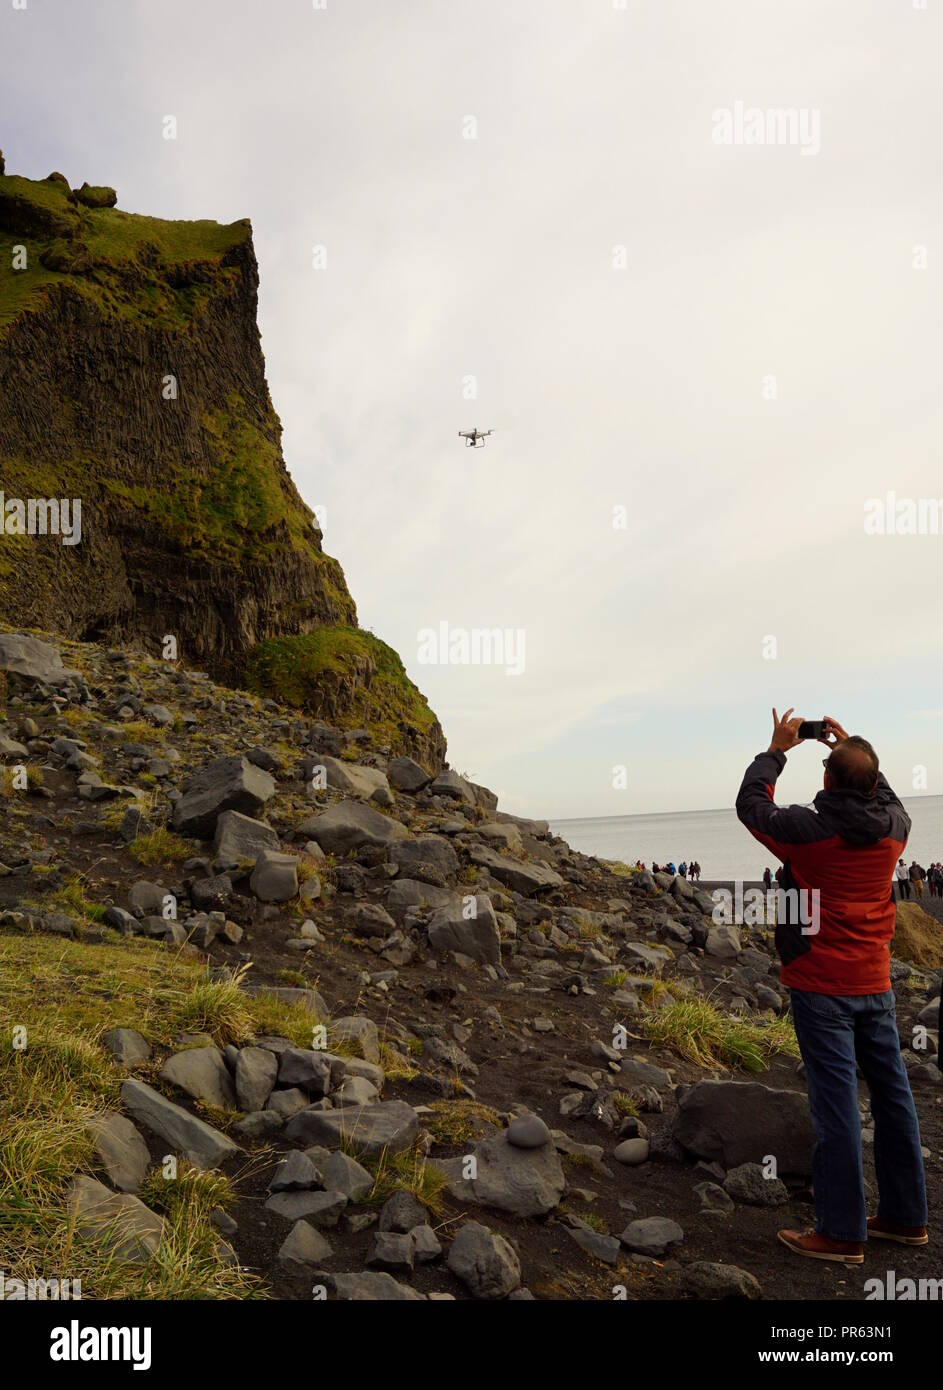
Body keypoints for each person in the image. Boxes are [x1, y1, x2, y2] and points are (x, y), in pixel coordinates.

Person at [735, 708, 927, 1265]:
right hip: (875, 982)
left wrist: (777, 749)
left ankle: (842, 1233)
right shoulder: (895, 830)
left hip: (821, 986)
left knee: (837, 1104)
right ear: (873, 783)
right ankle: (904, 1217)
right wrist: (855, 751)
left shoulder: (808, 833)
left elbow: (753, 806)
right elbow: (889, 799)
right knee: (893, 1096)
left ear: (825, 779)